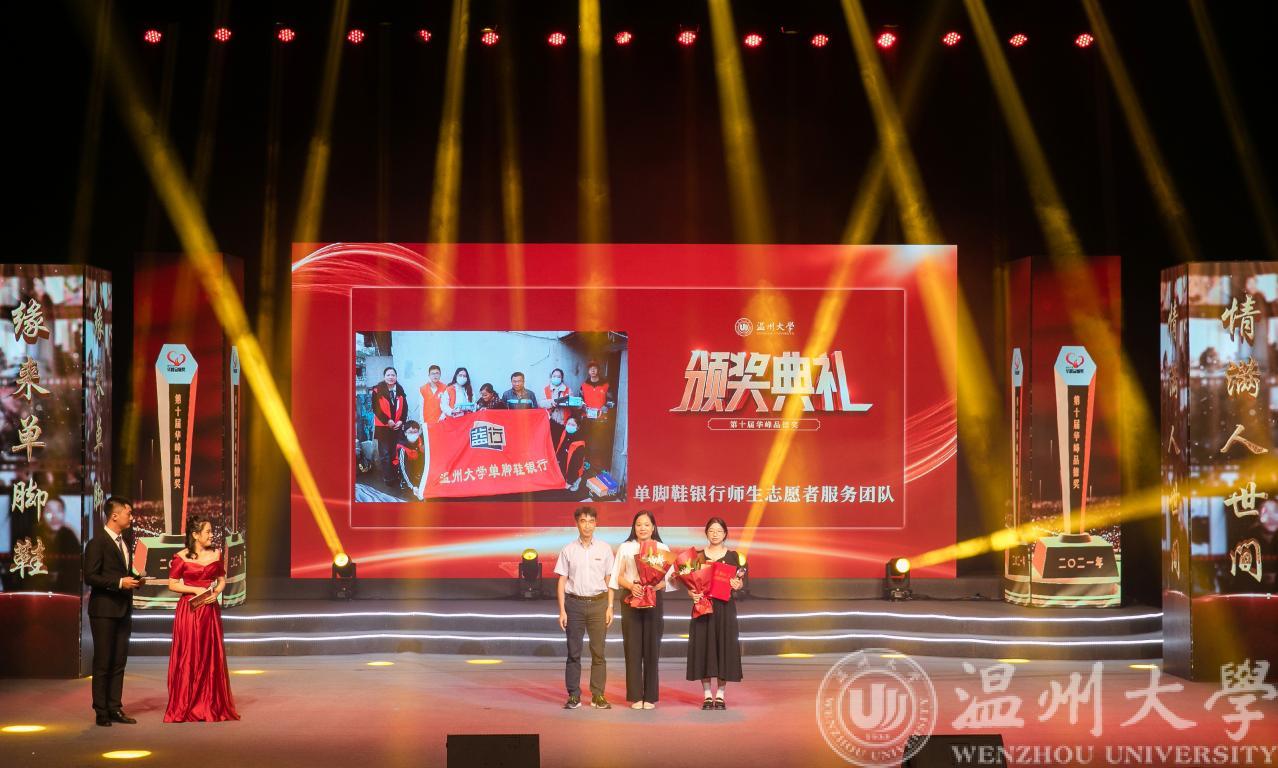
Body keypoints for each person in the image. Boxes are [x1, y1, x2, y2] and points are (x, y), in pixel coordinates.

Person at [164, 515, 240, 723]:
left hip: (209, 610)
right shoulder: (181, 557)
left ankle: (209, 701)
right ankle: (188, 702)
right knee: (190, 654)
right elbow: (172, 584)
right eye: (208, 531)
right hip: (189, 610)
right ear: (195, 535)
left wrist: (216, 592)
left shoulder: (216, 553)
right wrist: (195, 590)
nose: (211, 535)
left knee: (209, 654)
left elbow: (222, 580)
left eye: (211, 531)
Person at [83, 496, 143, 727]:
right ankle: (101, 710)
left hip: (123, 609)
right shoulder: (97, 543)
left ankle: (115, 707)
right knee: (103, 661)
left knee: (119, 661)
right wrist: (119, 583)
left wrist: (135, 580)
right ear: (114, 515)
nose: (132, 517)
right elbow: (90, 576)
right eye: (128, 513)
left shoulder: (124, 541)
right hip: (104, 610)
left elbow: (121, 573)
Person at [610, 509, 674, 709]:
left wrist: (654, 586)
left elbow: (670, 579)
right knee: (633, 648)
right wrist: (632, 586)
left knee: (652, 649)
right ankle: (636, 695)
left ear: (653, 527)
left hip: (653, 600)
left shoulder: (662, 548)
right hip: (631, 600)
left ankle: (651, 696)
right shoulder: (626, 547)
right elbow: (617, 576)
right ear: (634, 527)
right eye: (639, 524)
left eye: (646, 524)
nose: (642, 528)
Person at [554, 506, 615, 710]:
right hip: (574, 605)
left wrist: (610, 607)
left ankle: (598, 695)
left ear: (596, 523)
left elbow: (609, 579)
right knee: (574, 652)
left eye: (591, 521)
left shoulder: (604, 549)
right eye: (583, 521)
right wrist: (562, 610)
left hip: (599, 604)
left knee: (599, 652)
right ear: (577, 524)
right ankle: (574, 695)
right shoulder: (568, 550)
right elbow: (562, 580)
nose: (587, 525)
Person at [685, 517, 744, 710]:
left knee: (723, 648)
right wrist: (692, 594)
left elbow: (740, 583)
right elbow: (690, 585)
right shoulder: (697, 557)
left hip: (725, 609)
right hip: (703, 609)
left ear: (725, 533)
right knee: (704, 649)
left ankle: (720, 695)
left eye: (719, 530)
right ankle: (707, 695)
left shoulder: (734, 557)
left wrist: (737, 584)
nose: (715, 534)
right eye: (711, 530)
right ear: (706, 533)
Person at [35, 496, 81, 594]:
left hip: (65, 591)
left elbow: (76, 569)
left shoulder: (69, 535)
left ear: (64, 514)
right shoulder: (33, 535)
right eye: (49, 511)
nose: (54, 516)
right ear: (41, 514)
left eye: (59, 511)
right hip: (39, 591)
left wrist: (60, 576)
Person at [370, 367, 407, 487]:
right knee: (385, 454)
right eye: (388, 375)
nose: (391, 377)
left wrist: (401, 421)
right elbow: (376, 408)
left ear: (396, 376)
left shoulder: (400, 390)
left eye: (393, 375)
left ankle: (397, 475)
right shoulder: (377, 390)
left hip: (397, 427)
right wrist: (388, 421)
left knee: (395, 452)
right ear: (384, 376)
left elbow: (405, 408)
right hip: (383, 428)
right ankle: (388, 478)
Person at [396, 420, 428, 501]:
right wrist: (413, 486)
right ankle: (407, 484)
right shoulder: (402, 448)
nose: (413, 434)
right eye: (410, 432)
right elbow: (404, 469)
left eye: (415, 432)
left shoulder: (420, 442)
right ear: (405, 433)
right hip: (407, 473)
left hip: (417, 472)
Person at [555, 417, 588, 492]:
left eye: (573, 425)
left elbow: (576, 465)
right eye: (568, 424)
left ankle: (576, 480)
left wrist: (569, 482)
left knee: (566, 489)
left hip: (572, 469)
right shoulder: (564, 433)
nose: (569, 426)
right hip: (563, 464)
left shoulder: (579, 443)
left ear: (577, 427)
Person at [543, 368, 572, 445]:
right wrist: (551, 402)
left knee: (560, 443)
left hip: (563, 422)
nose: (556, 378)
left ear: (562, 378)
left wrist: (565, 402)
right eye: (554, 376)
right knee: (549, 444)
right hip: (549, 422)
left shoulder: (568, 390)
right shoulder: (545, 389)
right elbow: (541, 403)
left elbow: (573, 404)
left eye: (558, 377)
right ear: (551, 377)